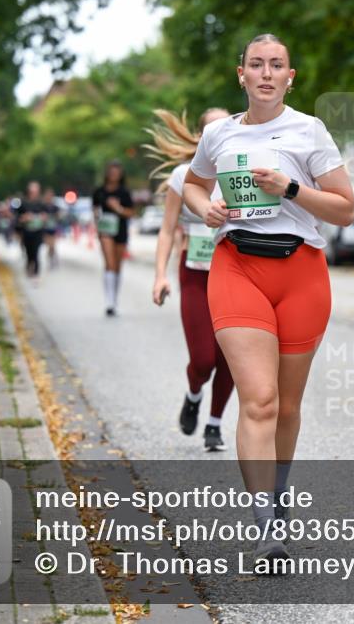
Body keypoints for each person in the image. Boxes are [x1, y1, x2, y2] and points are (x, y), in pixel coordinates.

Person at [182, 33, 354, 564]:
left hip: (301, 273)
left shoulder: (309, 131)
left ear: (289, 77)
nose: (265, 73)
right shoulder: (218, 133)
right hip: (237, 266)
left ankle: (277, 502)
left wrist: (291, 189)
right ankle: (265, 527)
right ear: (241, 75)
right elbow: (191, 185)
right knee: (258, 399)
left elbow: (345, 209)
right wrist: (204, 210)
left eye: (276, 65)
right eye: (255, 64)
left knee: (285, 406)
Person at [149, 107, 234, 452]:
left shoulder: (241, 174)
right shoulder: (183, 176)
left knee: (231, 356)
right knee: (203, 359)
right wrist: (159, 276)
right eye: (212, 130)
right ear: (201, 139)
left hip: (235, 275)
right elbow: (167, 230)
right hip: (195, 275)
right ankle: (194, 393)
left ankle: (214, 423)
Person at [92, 161, 135, 316]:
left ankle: (114, 298)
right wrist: (97, 222)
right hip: (105, 230)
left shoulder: (124, 192)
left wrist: (118, 208)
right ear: (107, 173)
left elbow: (131, 213)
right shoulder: (99, 191)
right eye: (111, 172)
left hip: (121, 229)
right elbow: (95, 210)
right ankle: (109, 301)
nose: (114, 175)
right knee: (109, 263)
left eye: (117, 172)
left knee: (117, 266)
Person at [15, 182, 47, 280]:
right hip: (27, 231)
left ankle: (36, 273)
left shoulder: (41, 203)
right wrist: (25, 218)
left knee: (36, 251)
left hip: (38, 231)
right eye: (32, 191)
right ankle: (29, 265)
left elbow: (46, 216)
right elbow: (18, 218)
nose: (34, 193)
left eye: (36, 191)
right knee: (29, 251)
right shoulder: (23, 203)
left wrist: (41, 218)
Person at [42, 187, 62, 269]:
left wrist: (57, 216)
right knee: (49, 244)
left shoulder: (55, 207)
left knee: (52, 245)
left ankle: (52, 257)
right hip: (45, 228)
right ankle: (52, 257)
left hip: (53, 228)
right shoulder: (42, 206)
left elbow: (59, 216)